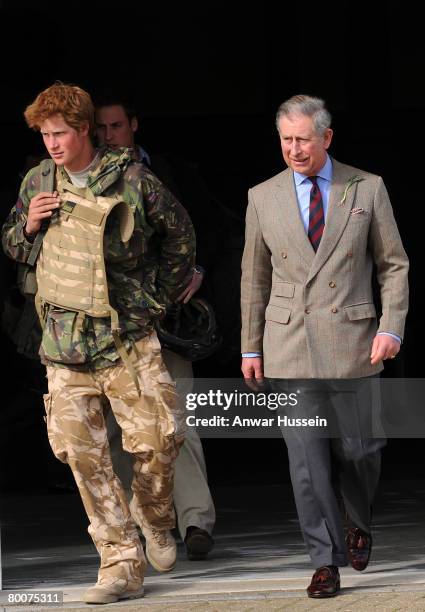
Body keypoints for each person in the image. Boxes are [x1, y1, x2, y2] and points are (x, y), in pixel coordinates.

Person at [1, 83, 195, 604]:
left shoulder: (133, 179)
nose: (52, 144)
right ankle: (120, 564)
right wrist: (29, 223)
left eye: (60, 133)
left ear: (84, 128)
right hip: (64, 344)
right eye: (44, 134)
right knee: (84, 460)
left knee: (157, 443)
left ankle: (154, 517)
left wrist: (152, 304)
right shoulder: (38, 180)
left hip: (126, 339)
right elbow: (13, 246)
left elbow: (180, 239)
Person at [240, 95, 409, 598]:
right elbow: (254, 277)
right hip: (289, 341)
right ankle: (325, 560)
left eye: (303, 139)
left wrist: (391, 325)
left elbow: (393, 264)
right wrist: (251, 347)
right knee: (306, 461)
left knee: (362, 449)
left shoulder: (367, 187)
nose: (294, 149)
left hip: (355, 339)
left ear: (326, 138)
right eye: (286, 139)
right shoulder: (262, 196)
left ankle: (358, 521)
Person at [94, 98, 216, 560]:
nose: (109, 134)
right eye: (101, 127)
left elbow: (207, 228)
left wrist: (197, 269)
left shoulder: (168, 171)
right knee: (120, 429)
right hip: (113, 325)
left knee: (179, 419)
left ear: (134, 126)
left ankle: (196, 520)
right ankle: (141, 527)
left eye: (117, 125)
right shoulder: (81, 180)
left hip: (165, 317)